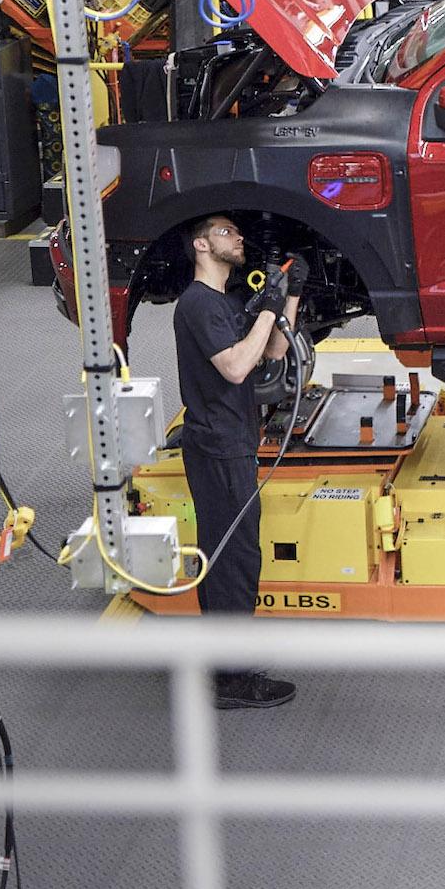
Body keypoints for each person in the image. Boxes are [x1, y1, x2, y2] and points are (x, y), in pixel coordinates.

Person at [173, 214, 304, 711]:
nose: (239, 237)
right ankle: (230, 679)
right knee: (233, 559)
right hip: (218, 447)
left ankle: (224, 661)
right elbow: (235, 366)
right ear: (202, 244)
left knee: (236, 553)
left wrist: (289, 294)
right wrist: (269, 306)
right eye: (227, 232)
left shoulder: (224, 303)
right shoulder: (197, 303)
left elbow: (269, 351)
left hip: (234, 442)